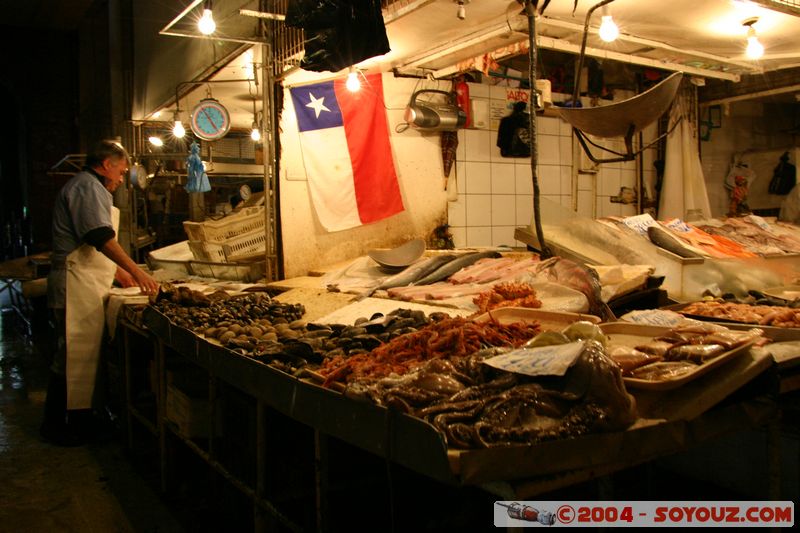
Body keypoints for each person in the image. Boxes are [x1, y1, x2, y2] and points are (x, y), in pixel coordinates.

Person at [41, 140, 159, 446]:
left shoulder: (87, 186)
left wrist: (118, 273)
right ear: (106, 164)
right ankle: (57, 427)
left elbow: (93, 245)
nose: (121, 179)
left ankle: (81, 422)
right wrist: (137, 271)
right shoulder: (88, 186)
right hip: (74, 284)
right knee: (71, 357)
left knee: (81, 357)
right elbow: (99, 236)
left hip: (84, 282)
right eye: (120, 171)